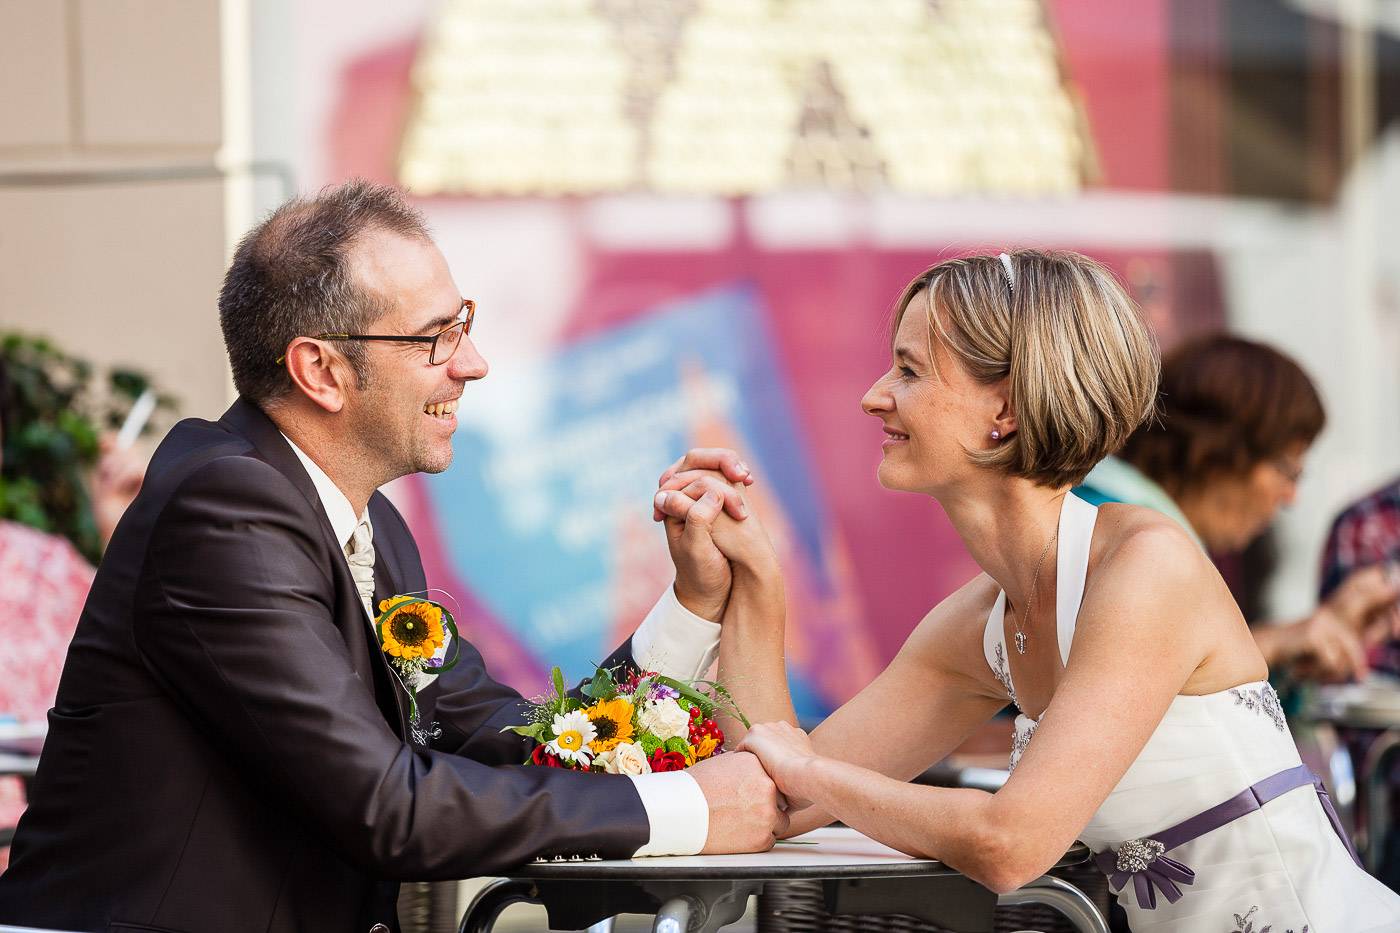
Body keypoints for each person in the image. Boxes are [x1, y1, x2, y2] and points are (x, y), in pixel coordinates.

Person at [0, 181, 784, 933]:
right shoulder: (224, 511)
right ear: (321, 371)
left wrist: (691, 601)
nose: (471, 362)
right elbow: (387, 807)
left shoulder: (366, 520)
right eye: (435, 335)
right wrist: (693, 808)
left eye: (463, 322)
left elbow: (520, 741)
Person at [655, 250, 1400, 931]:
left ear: (1005, 411)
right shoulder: (981, 623)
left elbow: (1009, 844)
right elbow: (775, 796)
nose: (873, 396)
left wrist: (813, 772)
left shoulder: (1146, 566)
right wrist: (753, 587)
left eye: (909, 371)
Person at [1076, 335, 1400, 683]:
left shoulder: (1118, 519)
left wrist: (1315, 634)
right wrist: (1274, 643)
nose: (1291, 497)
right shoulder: (1131, 538)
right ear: (1217, 452)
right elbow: (1129, 688)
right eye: (1288, 471)